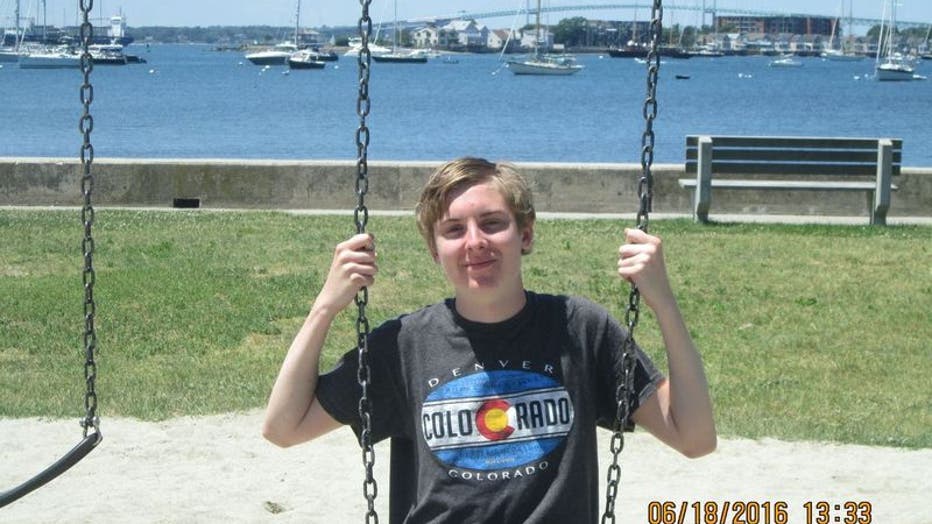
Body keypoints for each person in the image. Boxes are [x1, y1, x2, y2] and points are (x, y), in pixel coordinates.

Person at [263, 157, 716, 523]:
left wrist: (663, 303)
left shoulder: (579, 330)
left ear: (527, 233)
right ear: (434, 249)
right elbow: (283, 428)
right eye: (454, 230)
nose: (475, 243)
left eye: (493, 223)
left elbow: (695, 438)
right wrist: (325, 307)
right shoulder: (405, 345)